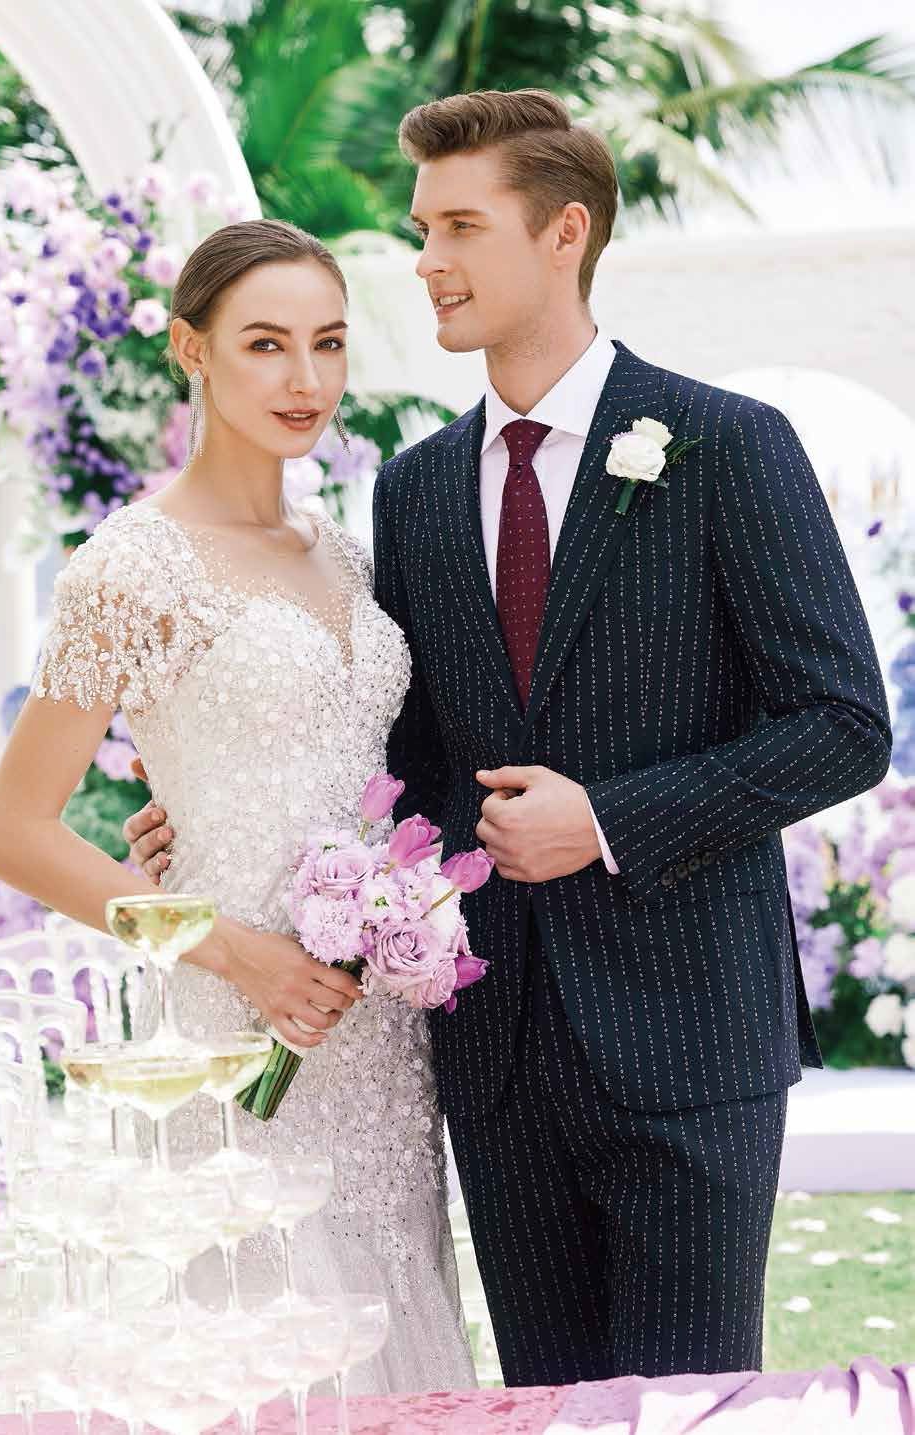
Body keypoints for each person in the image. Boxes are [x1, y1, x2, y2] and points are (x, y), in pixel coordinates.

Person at [125, 91, 892, 1386]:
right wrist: (220, 809)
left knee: (688, 1407)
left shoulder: (724, 445)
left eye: (458, 225)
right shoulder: (416, 484)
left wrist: (602, 817)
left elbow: (841, 724)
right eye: (423, 226)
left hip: (688, 1044)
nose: (424, 258)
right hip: (495, 1053)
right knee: (540, 1406)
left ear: (561, 234)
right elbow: (411, 751)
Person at [0, 218, 476, 1395]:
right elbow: (15, 829)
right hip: (238, 1022)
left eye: (328, 344)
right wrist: (235, 949)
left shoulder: (345, 555)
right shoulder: (130, 566)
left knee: (392, 1330)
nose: (305, 380)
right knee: (265, 1334)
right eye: (264, 344)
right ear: (191, 351)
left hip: (378, 1037)